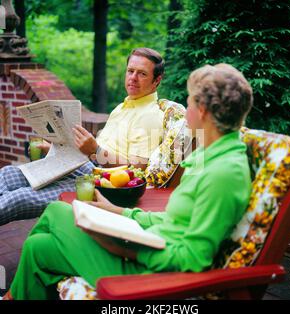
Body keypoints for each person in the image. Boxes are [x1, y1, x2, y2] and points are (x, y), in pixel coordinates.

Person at [2, 63, 253, 300]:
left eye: (188, 103)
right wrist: (121, 213)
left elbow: (193, 258)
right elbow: (176, 221)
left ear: (203, 112)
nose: (184, 111)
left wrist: (126, 248)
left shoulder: (223, 174)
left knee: (57, 211)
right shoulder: (208, 156)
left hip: (145, 272)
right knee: (37, 247)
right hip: (147, 244)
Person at [0, 47, 165, 226]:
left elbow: (137, 169)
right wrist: (62, 148)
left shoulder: (151, 115)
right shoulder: (121, 107)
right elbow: (96, 151)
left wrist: (96, 151)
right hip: (82, 164)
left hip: (104, 183)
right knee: (7, 173)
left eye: (142, 74)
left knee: (18, 199)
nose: (133, 78)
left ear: (156, 81)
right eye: (130, 71)